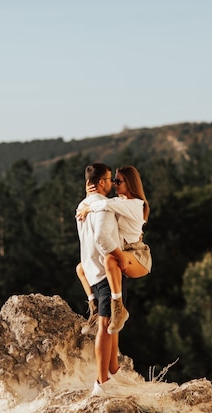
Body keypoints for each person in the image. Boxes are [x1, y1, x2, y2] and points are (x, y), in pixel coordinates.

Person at [76, 163, 134, 396]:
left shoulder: (83, 205)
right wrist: (120, 258)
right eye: (110, 179)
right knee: (105, 324)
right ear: (100, 182)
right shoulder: (103, 207)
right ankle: (102, 382)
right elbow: (102, 238)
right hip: (105, 270)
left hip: (92, 269)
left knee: (113, 323)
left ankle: (114, 371)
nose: (112, 183)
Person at [76, 165, 152, 335]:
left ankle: (118, 307)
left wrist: (88, 206)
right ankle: (93, 305)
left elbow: (105, 204)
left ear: (130, 183)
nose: (114, 184)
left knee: (110, 259)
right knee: (81, 268)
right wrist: (90, 195)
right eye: (113, 180)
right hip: (125, 251)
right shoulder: (120, 202)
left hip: (137, 254)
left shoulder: (135, 204)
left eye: (118, 181)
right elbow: (105, 202)